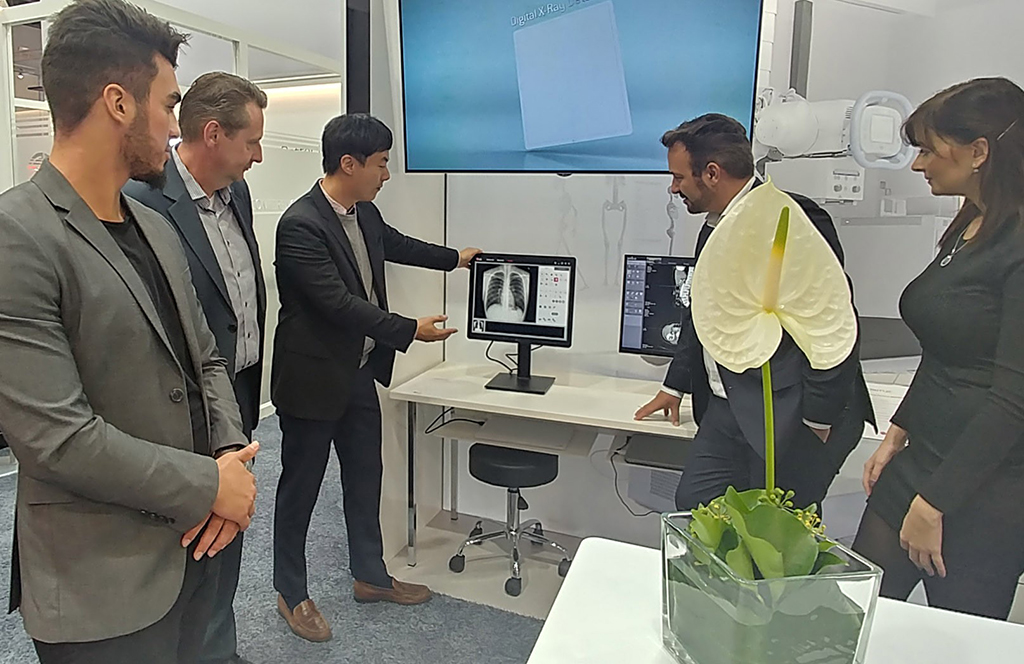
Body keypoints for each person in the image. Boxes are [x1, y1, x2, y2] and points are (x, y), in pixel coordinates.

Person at [0, 1, 259, 662]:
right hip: (102, 582)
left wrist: (230, 454)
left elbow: (205, 358)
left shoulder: (156, 227)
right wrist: (208, 485)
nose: (174, 127)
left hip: (199, 546)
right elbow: (58, 439)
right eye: (169, 105)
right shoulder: (17, 235)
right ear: (118, 102)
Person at [271, 113, 481, 642]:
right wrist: (409, 329)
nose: (386, 175)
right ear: (349, 163)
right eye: (382, 164)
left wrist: (455, 259)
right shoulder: (300, 225)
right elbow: (338, 305)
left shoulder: (364, 212)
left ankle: (370, 576)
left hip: (359, 373)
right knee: (300, 490)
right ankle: (290, 593)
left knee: (366, 479)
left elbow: (397, 244)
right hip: (311, 382)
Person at [634, 113, 874, 511]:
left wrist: (818, 420)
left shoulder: (792, 220)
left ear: (712, 173)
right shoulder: (714, 227)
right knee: (696, 507)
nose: (673, 187)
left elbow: (830, 322)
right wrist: (674, 385)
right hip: (727, 405)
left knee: (776, 528)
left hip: (791, 411)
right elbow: (704, 312)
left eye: (678, 177)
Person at [853, 77, 1024, 621]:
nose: (917, 164)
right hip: (920, 460)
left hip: (983, 485)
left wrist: (935, 503)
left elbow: (1014, 399)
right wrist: (897, 432)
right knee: (851, 615)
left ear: (979, 151)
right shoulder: (971, 222)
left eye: (928, 149)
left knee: (957, 637)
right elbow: (945, 350)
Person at [124, 71, 268, 664]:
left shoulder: (239, 194)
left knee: (229, 535)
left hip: (240, 393)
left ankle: (218, 651)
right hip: (182, 407)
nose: (258, 156)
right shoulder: (140, 201)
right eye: (251, 142)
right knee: (189, 543)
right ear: (213, 134)